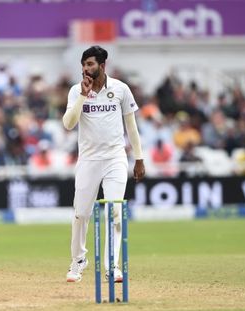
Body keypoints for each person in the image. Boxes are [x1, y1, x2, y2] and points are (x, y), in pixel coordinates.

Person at [62, 46, 145, 283]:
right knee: (80, 213)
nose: (86, 69)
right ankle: (78, 261)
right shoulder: (76, 90)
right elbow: (68, 124)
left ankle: (112, 265)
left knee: (115, 212)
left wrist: (139, 158)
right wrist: (82, 95)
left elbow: (131, 126)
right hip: (88, 159)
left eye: (90, 64)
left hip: (115, 159)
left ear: (102, 64)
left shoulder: (121, 89)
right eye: (83, 65)